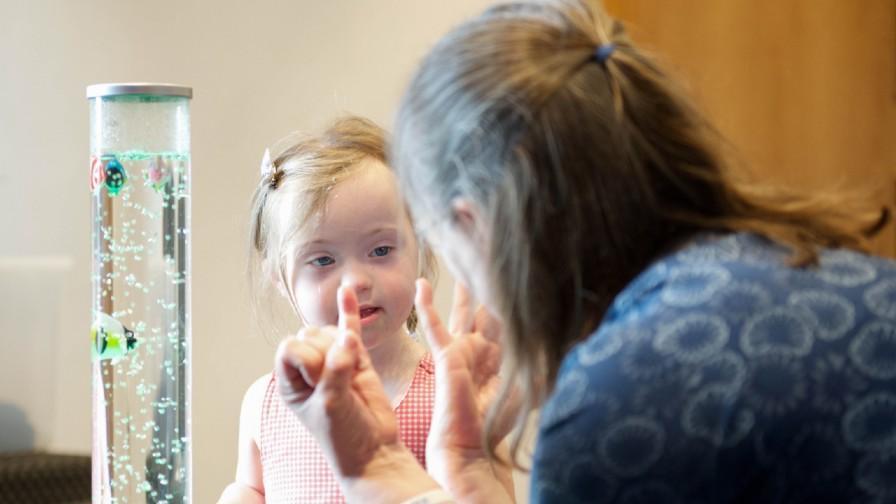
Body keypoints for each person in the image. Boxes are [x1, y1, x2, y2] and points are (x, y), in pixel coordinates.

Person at [274, 1, 896, 503]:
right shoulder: (853, 279)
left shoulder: (615, 406)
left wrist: (373, 468)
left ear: (473, 225)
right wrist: (458, 471)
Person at [218, 117, 442, 503]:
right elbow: (249, 489)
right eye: (322, 260)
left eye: (381, 250)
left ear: (419, 249)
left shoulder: (447, 393)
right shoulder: (265, 401)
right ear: (279, 279)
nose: (354, 281)